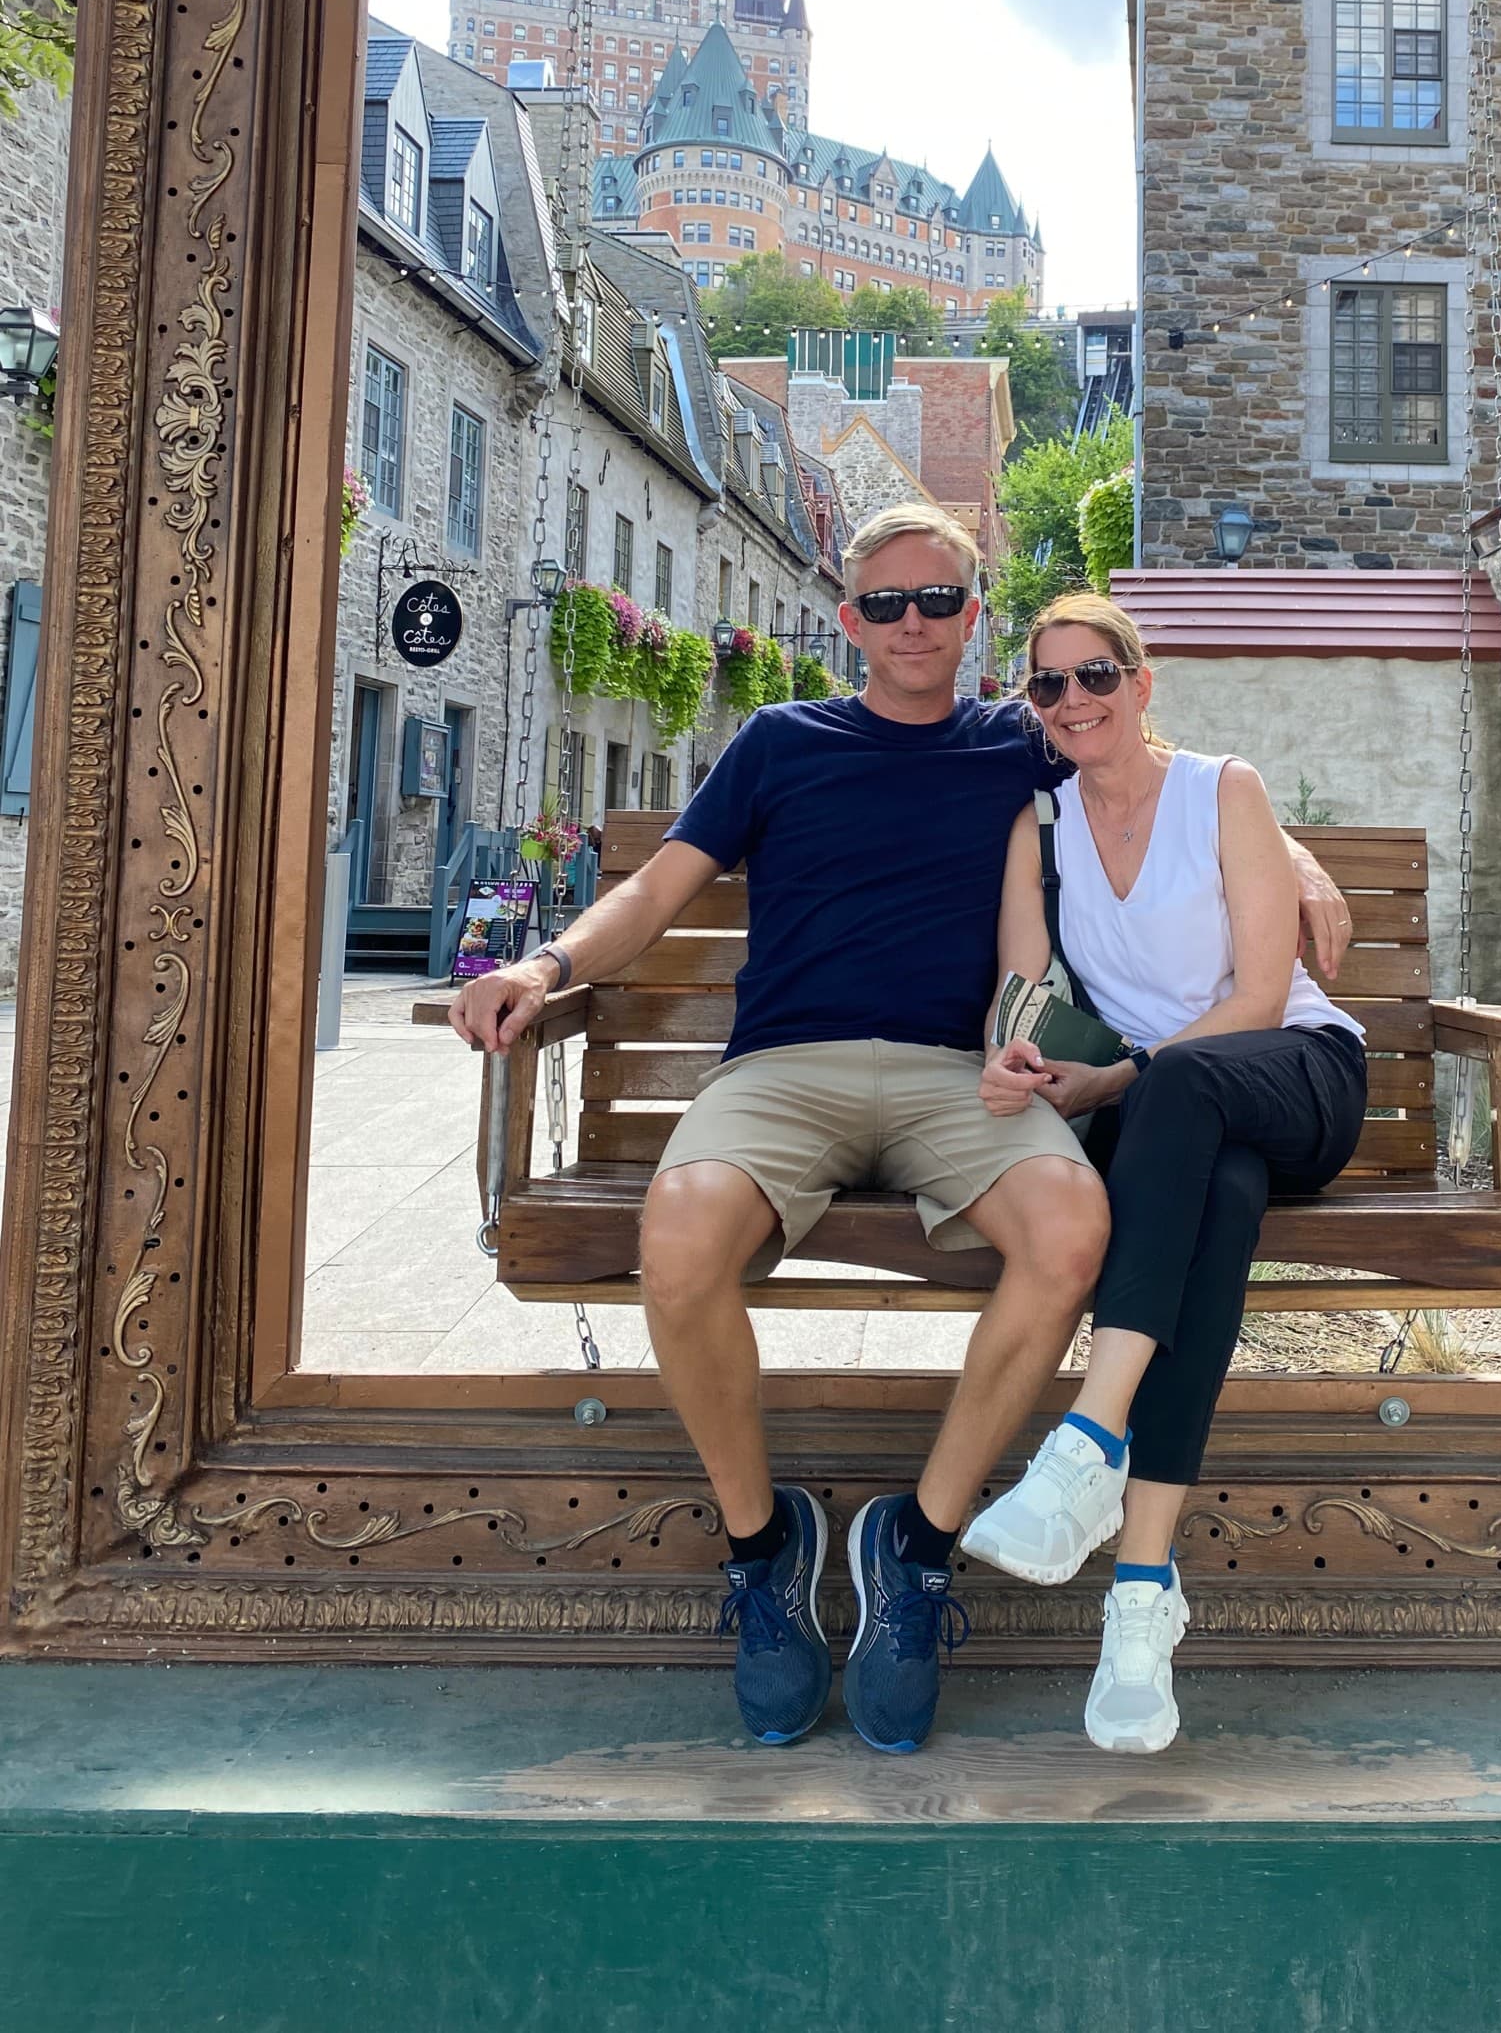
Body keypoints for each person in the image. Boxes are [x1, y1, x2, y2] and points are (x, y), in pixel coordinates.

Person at [450, 509, 1350, 1755]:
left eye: (937, 601)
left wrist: (1295, 858)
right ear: (848, 620)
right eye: (885, 605)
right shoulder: (777, 741)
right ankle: (765, 1551)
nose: (912, 623)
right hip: (788, 1066)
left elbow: (1142, 755)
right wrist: (541, 966)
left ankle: (915, 1552)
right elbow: (658, 890)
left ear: (973, 617)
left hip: (954, 1079)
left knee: (1070, 1224)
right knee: (682, 1230)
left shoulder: (1013, 741)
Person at [963, 592, 1368, 1756]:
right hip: (1174, 1132)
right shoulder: (1036, 830)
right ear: (1032, 707)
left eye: (1097, 676)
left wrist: (1126, 1075)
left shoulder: (1220, 790)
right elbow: (1021, 998)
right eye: (1048, 685)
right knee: (1217, 1202)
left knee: (1189, 1091)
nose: (1073, 701)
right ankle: (1140, 1594)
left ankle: (1088, 1440)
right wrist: (1023, 1067)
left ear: (1143, 684)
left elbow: (1250, 997)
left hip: (1291, 1074)